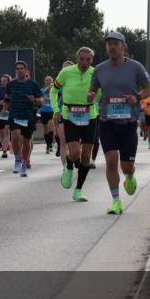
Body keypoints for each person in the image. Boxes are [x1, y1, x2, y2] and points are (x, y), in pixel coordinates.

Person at [87, 31, 150, 215]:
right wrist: (90, 94)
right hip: (106, 121)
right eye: (109, 44)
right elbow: (92, 89)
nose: (112, 47)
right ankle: (116, 201)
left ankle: (130, 176)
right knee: (110, 160)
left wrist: (137, 97)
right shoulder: (100, 69)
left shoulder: (136, 67)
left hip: (128, 122)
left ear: (124, 46)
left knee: (126, 166)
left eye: (116, 43)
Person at [52, 48, 97, 202]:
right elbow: (53, 91)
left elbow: (102, 93)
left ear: (92, 60)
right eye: (82, 59)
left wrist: (95, 96)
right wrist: (56, 109)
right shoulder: (66, 72)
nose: (84, 63)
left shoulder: (95, 73)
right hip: (70, 116)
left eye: (88, 60)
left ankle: (78, 190)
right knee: (74, 153)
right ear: (77, 58)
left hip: (90, 115)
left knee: (85, 156)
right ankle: (69, 167)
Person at [6, 61, 41, 177]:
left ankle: (25, 163)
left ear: (26, 71)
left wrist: (35, 100)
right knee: (15, 136)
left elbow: (40, 100)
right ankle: (17, 159)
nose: (20, 70)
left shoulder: (33, 84)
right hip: (14, 115)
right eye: (17, 69)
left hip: (28, 116)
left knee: (26, 141)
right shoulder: (11, 84)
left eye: (22, 68)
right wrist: (4, 108)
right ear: (15, 71)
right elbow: (7, 97)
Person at [53, 59, 75, 158]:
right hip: (62, 112)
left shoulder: (78, 81)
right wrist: (55, 111)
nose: (65, 70)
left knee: (75, 141)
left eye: (67, 68)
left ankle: (75, 156)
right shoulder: (59, 82)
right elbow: (52, 94)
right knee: (63, 141)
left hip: (78, 113)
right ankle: (65, 168)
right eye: (63, 68)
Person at [0, 74, 12, 159]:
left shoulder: (12, 90)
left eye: (5, 81)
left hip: (10, 112)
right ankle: (6, 144)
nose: (3, 83)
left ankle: (5, 151)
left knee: (6, 130)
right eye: (2, 81)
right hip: (0, 114)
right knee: (1, 133)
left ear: (8, 82)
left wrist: (6, 102)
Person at [39, 75, 56, 154]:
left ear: (52, 81)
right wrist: (50, 86)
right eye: (46, 80)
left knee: (50, 127)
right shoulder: (42, 90)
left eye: (49, 80)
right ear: (44, 82)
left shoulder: (55, 90)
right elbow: (45, 91)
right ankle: (48, 145)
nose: (48, 81)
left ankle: (50, 145)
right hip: (43, 111)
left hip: (51, 111)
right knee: (46, 130)